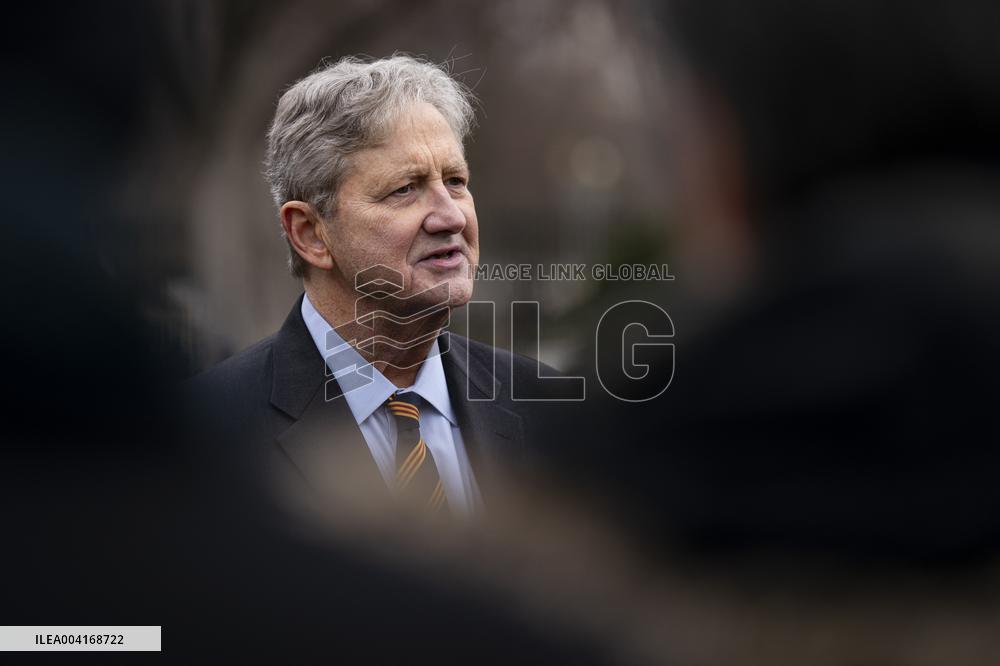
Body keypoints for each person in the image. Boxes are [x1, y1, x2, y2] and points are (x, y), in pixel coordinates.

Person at [195, 55, 556, 518]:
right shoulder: (205, 431)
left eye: (456, 181)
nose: (451, 216)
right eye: (405, 189)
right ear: (309, 233)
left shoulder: (545, 407)